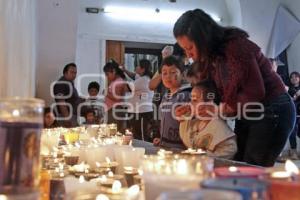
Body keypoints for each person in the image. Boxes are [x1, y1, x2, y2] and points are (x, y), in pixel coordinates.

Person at [173, 9, 296, 167]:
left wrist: (218, 110)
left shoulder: (236, 47)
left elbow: (255, 92)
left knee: (252, 167)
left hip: (273, 110)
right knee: (237, 163)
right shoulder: (212, 58)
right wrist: (194, 107)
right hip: (248, 112)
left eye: (190, 48)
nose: (189, 55)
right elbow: (214, 93)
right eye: (185, 50)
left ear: (203, 38)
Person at [179, 81, 237, 159]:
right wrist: (185, 115)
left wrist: (201, 157)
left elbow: (229, 150)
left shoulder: (220, 129)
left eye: (195, 100)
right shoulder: (194, 123)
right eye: (191, 100)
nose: (190, 104)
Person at [153, 56, 191, 150]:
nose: (168, 76)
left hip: (180, 148)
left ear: (182, 74)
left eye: (173, 72)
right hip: (165, 145)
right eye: (164, 73)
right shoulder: (166, 95)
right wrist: (160, 138)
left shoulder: (186, 95)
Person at [121, 59, 154, 142]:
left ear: (143, 69)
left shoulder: (143, 80)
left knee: (142, 137)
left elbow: (126, 88)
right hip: (138, 112)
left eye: (138, 66)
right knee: (137, 135)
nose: (136, 67)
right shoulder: (142, 78)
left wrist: (120, 76)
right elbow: (134, 75)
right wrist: (124, 70)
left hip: (142, 113)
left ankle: (145, 152)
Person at [53, 63, 84, 127]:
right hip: (67, 117)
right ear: (65, 73)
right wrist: (67, 119)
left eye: (75, 73)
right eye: (72, 72)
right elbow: (61, 102)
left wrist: (81, 99)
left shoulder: (69, 83)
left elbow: (71, 99)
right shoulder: (61, 84)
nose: (74, 75)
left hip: (72, 116)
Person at [103, 59, 127, 132]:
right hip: (113, 110)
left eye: (107, 74)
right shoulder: (115, 81)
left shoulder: (119, 81)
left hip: (115, 111)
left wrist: (106, 93)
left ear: (113, 71)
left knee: (114, 133)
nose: (107, 77)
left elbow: (117, 98)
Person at [288, 71, 300, 159]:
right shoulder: (288, 89)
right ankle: (293, 151)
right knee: (292, 132)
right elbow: (289, 100)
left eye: (296, 77)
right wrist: (295, 96)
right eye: (292, 77)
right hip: (293, 113)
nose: (294, 78)